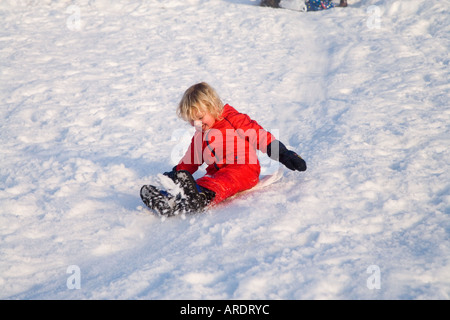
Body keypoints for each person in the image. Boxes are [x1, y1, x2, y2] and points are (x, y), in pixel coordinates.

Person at [140, 82, 307, 216]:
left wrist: (283, 153)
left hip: (244, 168)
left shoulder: (234, 120)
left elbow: (260, 136)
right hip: (217, 174)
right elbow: (192, 159)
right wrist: (176, 174)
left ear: (212, 107)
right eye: (192, 120)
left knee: (223, 180)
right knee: (203, 182)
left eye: (200, 117)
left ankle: (201, 197)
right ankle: (171, 200)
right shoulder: (200, 134)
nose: (197, 123)